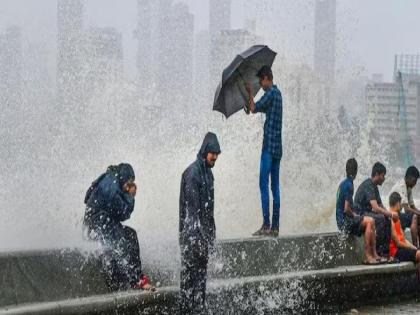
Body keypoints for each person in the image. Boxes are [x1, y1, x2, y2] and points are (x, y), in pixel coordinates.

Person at [84, 163, 154, 291]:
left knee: (125, 239)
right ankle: (137, 280)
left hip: (95, 223)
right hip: (100, 222)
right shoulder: (111, 183)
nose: (128, 186)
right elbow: (123, 212)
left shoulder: (110, 179)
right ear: (124, 177)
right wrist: (130, 196)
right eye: (129, 182)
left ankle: (127, 283)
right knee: (127, 239)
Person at [179, 132, 221, 314]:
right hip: (191, 238)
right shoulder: (192, 174)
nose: (216, 157)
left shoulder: (209, 175)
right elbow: (193, 213)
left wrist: (211, 237)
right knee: (188, 282)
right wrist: (199, 239)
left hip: (202, 239)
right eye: (213, 153)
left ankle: (199, 309)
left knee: (201, 282)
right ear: (205, 152)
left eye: (217, 154)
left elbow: (209, 211)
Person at [245, 65, 283, 237]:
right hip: (278, 149)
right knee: (275, 187)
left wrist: (250, 93)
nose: (261, 84)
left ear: (267, 78)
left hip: (268, 148)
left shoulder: (270, 94)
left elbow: (253, 108)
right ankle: (275, 226)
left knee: (263, 184)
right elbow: (257, 108)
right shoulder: (279, 94)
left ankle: (266, 225)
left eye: (261, 80)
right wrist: (252, 103)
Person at [336, 158, 385, 264]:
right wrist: (355, 215)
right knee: (370, 221)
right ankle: (367, 256)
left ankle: (374, 254)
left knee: (371, 220)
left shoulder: (342, 183)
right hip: (344, 222)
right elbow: (346, 208)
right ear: (356, 171)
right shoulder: (349, 185)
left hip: (340, 220)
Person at [354, 162, 398, 259]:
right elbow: (375, 207)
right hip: (359, 215)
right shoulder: (369, 184)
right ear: (377, 174)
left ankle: (385, 253)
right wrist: (390, 214)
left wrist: (390, 215)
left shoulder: (374, 186)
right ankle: (378, 252)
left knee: (386, 219)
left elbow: (381, 205)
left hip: (367, 213)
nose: (384, 178)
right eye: (383, 175)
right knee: (381, 219)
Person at [388, 166, 420, 247]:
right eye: (414, 181)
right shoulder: (401, 186)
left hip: (399, 215)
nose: (415, 184)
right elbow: (407, 209)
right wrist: (418, 214)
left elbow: (412, 206)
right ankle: (416, 247)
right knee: (415, 217)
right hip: (393, 216)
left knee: (418, 219)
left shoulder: (408, 188)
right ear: (409, 177)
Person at [389, 192, 420, 266]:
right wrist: (411, 248)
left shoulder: (397, 219)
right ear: (398, 203)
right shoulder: (390, 218)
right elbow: (398, 243)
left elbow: (403, 239)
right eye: (400, 204)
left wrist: (415, 248)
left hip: (401, 249)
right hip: (395, 252)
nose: (402, 207)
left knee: (418, 254)